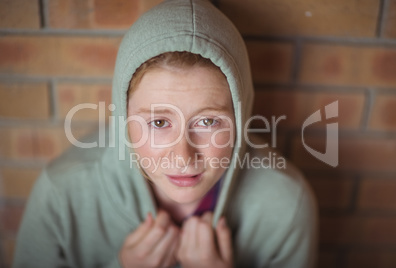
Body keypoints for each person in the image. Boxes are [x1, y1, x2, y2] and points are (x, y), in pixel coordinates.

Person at [13, 0, 317, 267]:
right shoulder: (62, 194)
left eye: (208, 122)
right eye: (158, 123)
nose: (183, 157)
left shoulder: (287, 205)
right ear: (124, 119)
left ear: (241, 114)